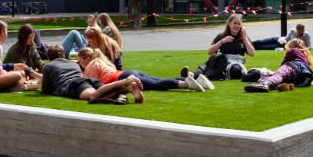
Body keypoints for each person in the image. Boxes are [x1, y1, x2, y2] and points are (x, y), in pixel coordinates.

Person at [77, 47, 212, 94]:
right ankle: (193, 79)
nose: (80, 63)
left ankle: (187, 84)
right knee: (158, 80)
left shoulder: (90, 66)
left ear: (85, 58)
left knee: (156, 85)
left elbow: (91, 84)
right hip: (128, 73)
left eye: (80, 60)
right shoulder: (100, 60)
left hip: (123, 78)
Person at [39, 45, 137, 103]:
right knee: (104, 94)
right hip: (88, 80)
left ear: (48, 57)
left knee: (93, 96)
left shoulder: (48, 66)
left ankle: (125, 81)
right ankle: (126, 89)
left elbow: (46, 90)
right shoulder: (73, 64)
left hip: (73, 85)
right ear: (63, 55)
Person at [183, 14, 256, 81]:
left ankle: (208, 75)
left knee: (235, 70)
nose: (237, 26)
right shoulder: (222, 36)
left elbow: (252, 53)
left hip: (236, 64)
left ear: (241, 26)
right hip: (222, 62)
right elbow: (210, 52)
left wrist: (244, 38)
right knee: (210, 63)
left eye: (239, 24)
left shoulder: (244, 37)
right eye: (234, 23)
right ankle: (190, 74)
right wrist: (222, 41)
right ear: (229, 24)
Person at [245, 38, 313, 92]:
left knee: (279, 75)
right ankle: (279, 85)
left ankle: (265, 84)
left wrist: (279, 70)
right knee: (282, 78)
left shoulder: (293, 50)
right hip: (298, 74)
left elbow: (283, 64)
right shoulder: (304, 57)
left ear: (292, 46)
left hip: (292, 66)